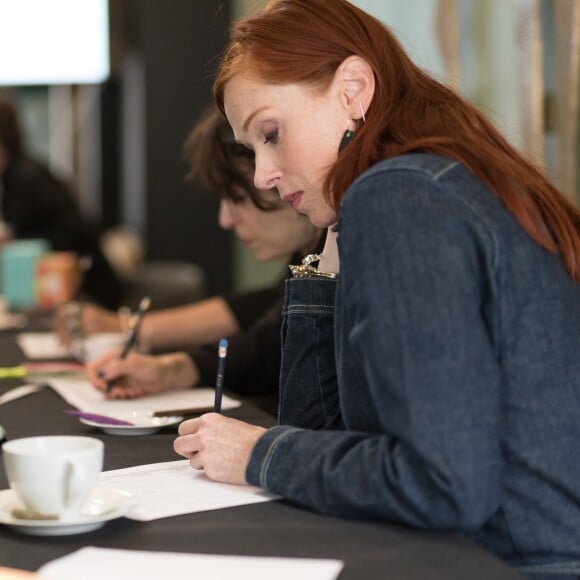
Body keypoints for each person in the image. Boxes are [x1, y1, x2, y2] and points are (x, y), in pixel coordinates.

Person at [172, 1, 580, 577]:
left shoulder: (401, 196)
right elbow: (321, 432)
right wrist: (329, 245)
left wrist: (258, 453)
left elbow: (443, 484)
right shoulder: (416, 185)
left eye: (271, 133)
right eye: (251, 150)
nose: (262, 174)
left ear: (353, 89)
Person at [85, 107, 322, 412]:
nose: (225, 220)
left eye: (237, 198)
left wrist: (131, 330)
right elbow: (267, 330)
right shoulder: (308, 258)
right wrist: (168, 370)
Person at [0, 95, 125, 309]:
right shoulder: (14, 177)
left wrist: (15, 241)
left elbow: (73, 234)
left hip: (87, 295)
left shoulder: (28, 179)